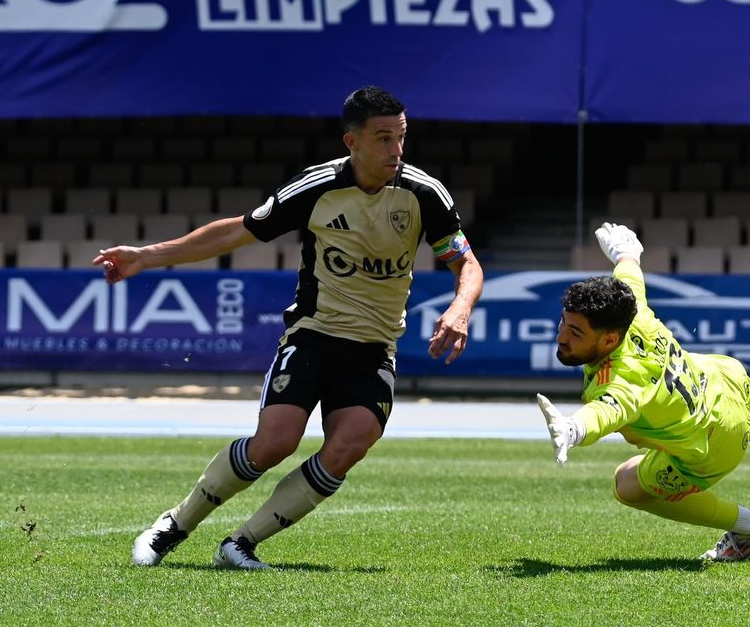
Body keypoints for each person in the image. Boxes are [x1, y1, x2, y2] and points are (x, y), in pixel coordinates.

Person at [96, 85, 484, 569]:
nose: (396, 150)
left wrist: (461, 307)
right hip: (314, 334)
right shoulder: (317, 187)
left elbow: (466, 263)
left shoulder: (424, 194)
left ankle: (240, 545)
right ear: (352, 142)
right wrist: (147, 256)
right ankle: (173, 525)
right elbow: (238, 230)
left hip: (374, 347)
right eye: (383, 138)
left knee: (350, 443)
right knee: (274, 443)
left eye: (401, 137)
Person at [534, 223, 750, 562]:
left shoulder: (622, 377)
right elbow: (630, 276)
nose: (561, 336)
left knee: (627, 485)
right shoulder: (632, 310)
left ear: (608, 340)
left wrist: (574, 429)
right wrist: (626, 252)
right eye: (563, 322)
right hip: (723, 381)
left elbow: (611, 408)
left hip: (712, 444)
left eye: (575, 331)